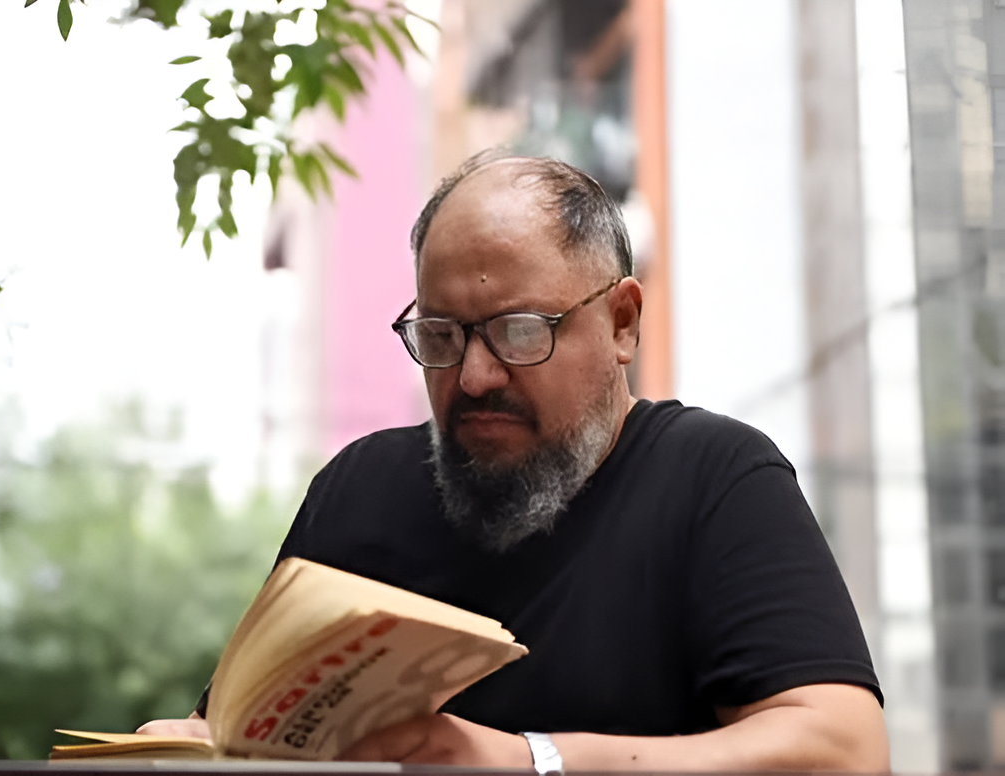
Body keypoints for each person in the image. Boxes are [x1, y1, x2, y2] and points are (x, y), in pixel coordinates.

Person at [140, 150, 890, 771]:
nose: (474, 377)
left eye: (519, 331)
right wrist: (196, 749)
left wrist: (532, 762)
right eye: (440, 334)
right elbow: (244, 729)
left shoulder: (713, 479)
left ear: (622, 322)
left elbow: (844, 751)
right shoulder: (359, 489)